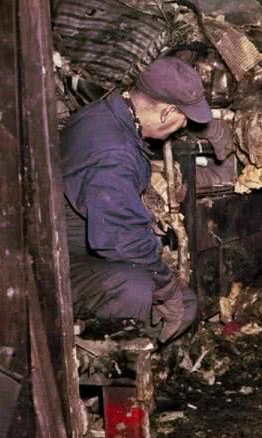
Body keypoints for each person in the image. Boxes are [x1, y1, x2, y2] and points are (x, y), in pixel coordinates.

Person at [61, 57, 212, 344]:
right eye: (184, 121)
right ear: (167, 112)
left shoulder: (104, 114)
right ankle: (118, 372)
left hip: (78, 244)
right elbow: (120, 238)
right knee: (136, 287)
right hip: (57, 259)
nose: (182, 129)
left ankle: (149, 362)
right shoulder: (114, 152)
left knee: (185, 300)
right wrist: (165, 287)